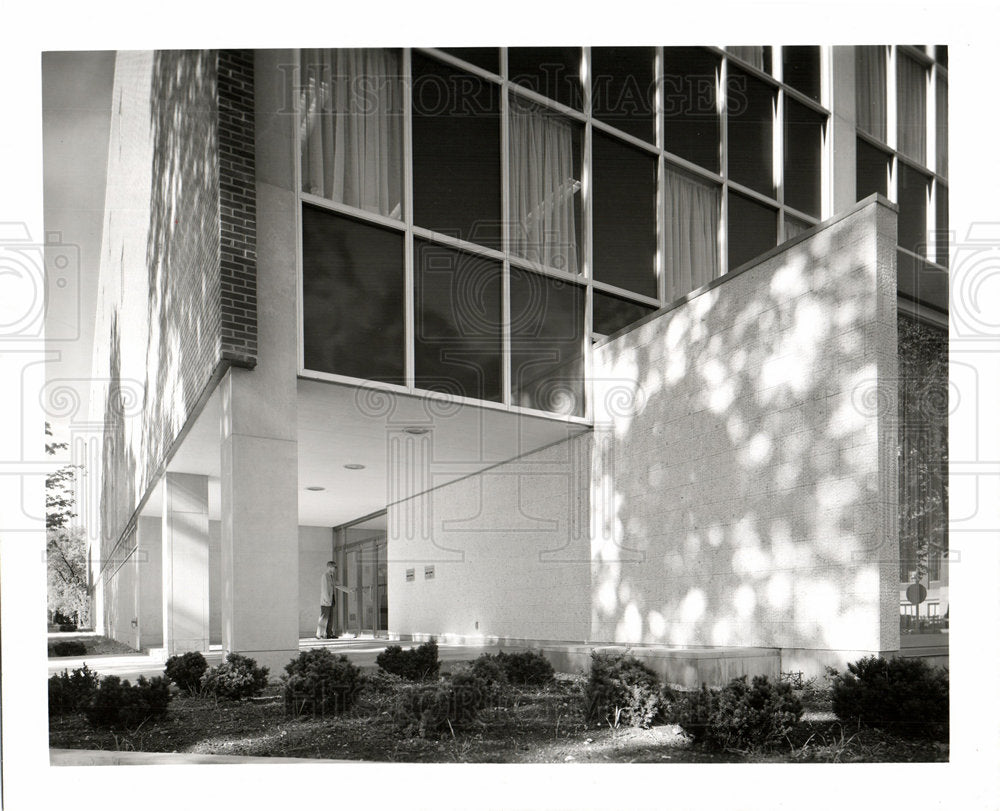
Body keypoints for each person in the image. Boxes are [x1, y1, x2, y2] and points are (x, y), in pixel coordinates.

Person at [316, 560, 350, 639]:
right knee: (324, 618)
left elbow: (338, 585)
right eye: (334, 567)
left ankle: (329, 634)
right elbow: (324, 589)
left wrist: (348, 590)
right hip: (326, 601)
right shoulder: (325, 576)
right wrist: (327, 600)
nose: (335, 569)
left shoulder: (332, 577)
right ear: (330, 567)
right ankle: (319, 634)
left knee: (330, 618)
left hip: (331, 600)